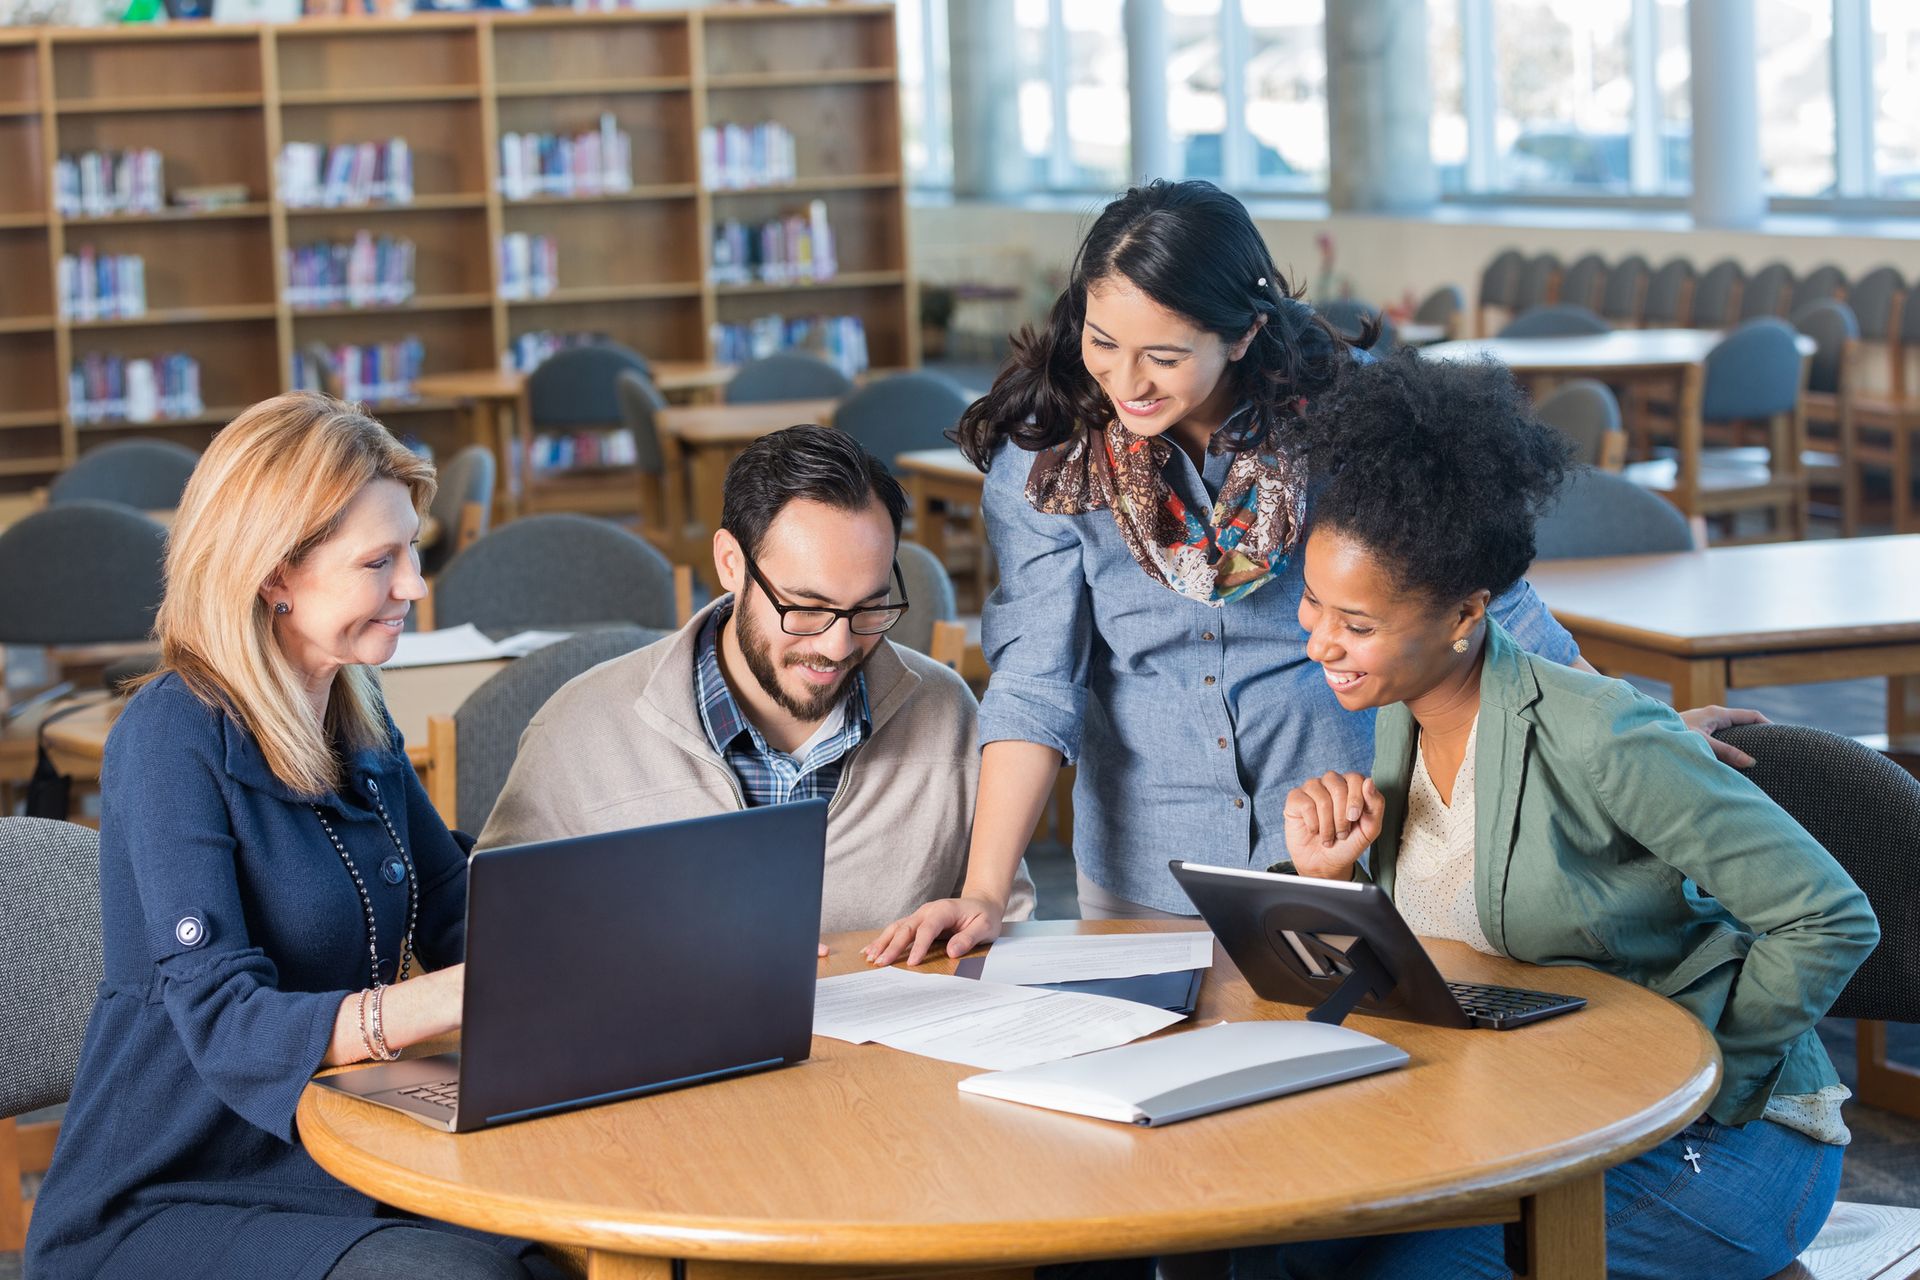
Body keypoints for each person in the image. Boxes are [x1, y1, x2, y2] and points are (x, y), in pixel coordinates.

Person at [866, 179, 1757, 968]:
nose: (1125, 382)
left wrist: (1632, 729)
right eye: (1103, 342)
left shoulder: (1355, 413)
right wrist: (985, 889)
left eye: (1165, 356)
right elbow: (1034, 684)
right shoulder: (1052, 459)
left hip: (1357, 831)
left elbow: (1487, 601)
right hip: (1148, 861)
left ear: (1245, 330)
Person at [1240, 352, 1877, 1280]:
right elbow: (1436, 962)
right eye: (1311, 602)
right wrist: (1326, 883)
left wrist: (1706, 1082)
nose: (1318, 641)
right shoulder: (1396, 717)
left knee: (1418, 1273)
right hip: (1535, 1103)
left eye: (1357, 623)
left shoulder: (1603, 736)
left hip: (1727, 1142)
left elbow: (1830, 915)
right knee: (1271, 1247)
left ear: (1466, 613)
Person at [26, 394, 565, 1280]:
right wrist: (445, 1001)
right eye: (378, 562)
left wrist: (639, 937)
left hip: (339, 1143)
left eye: (413, 552)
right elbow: (225, 1022)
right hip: (178, 1191)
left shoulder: (355, 711)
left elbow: (456, 905)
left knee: (573, 1246)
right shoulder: (171, 737)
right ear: (275, 574)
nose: (414, 587)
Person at [480, 424, 1033, 934]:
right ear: (731, 565)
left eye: (869, 607)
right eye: (807, 608)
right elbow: (493, 939)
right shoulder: (578, 731)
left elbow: (1007, 924)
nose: (837, 646)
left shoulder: (946, 713)